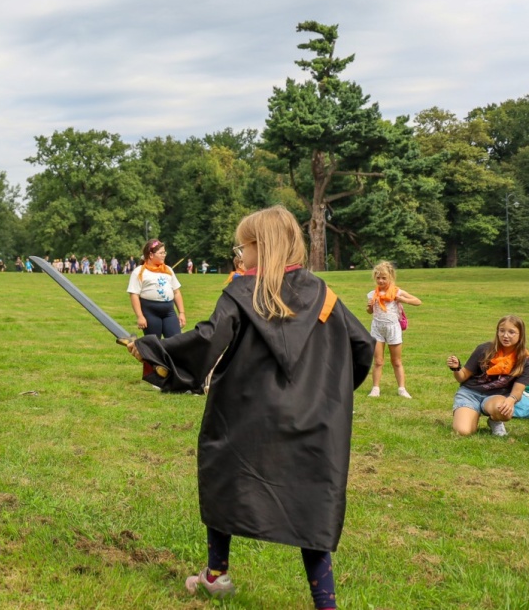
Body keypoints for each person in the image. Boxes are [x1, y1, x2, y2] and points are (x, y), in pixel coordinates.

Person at [126, 206, 372, 608]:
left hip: (244, 416)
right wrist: (331, 394)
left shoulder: (241, 293)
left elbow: (207, 340)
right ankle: (324, 603)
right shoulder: (323, 294)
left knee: (225, 478)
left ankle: (217, 574)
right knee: (311, 502)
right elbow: (362, 347)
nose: (240, 255)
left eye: (243, 246)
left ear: (262, 246)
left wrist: (153, 351)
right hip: (315, 421)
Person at [447, 315, 529, 437]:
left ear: (520, 334)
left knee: (505, 411)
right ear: (497, 332)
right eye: (502, 331)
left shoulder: (526, 360)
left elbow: (517, 392)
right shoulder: (484, 349)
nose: (505, 335)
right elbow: (462, 377)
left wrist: (510, 400)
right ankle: (470, 414)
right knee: (463, 432)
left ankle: (494, 420)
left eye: (511, 332)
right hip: (470, 394)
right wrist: (456, 368)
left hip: (495, 396)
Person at [364, 261, 422, 398]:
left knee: (396, 361)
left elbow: (418, 301)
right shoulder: (372, 294)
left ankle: (402, 389)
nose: (381, 280)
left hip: (393, 329)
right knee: (378, 361)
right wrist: (370, 306)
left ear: (390, 277)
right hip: (377, 328)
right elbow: (369, 312)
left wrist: (401, 299)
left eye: (384, 278)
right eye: (378, 278)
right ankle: (375, 388)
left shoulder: (397, 292)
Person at [127, 239, 186, 341]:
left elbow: (176, 292)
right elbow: (134, 295)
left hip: (169, 312)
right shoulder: (139, 272)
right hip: (150, 312)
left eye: (164, 252)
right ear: (151, 255)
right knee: (154, 344)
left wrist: (181, 313)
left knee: (176, 342)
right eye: (161, 253)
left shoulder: (167, 270)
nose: (164, 255)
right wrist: (140, 316)